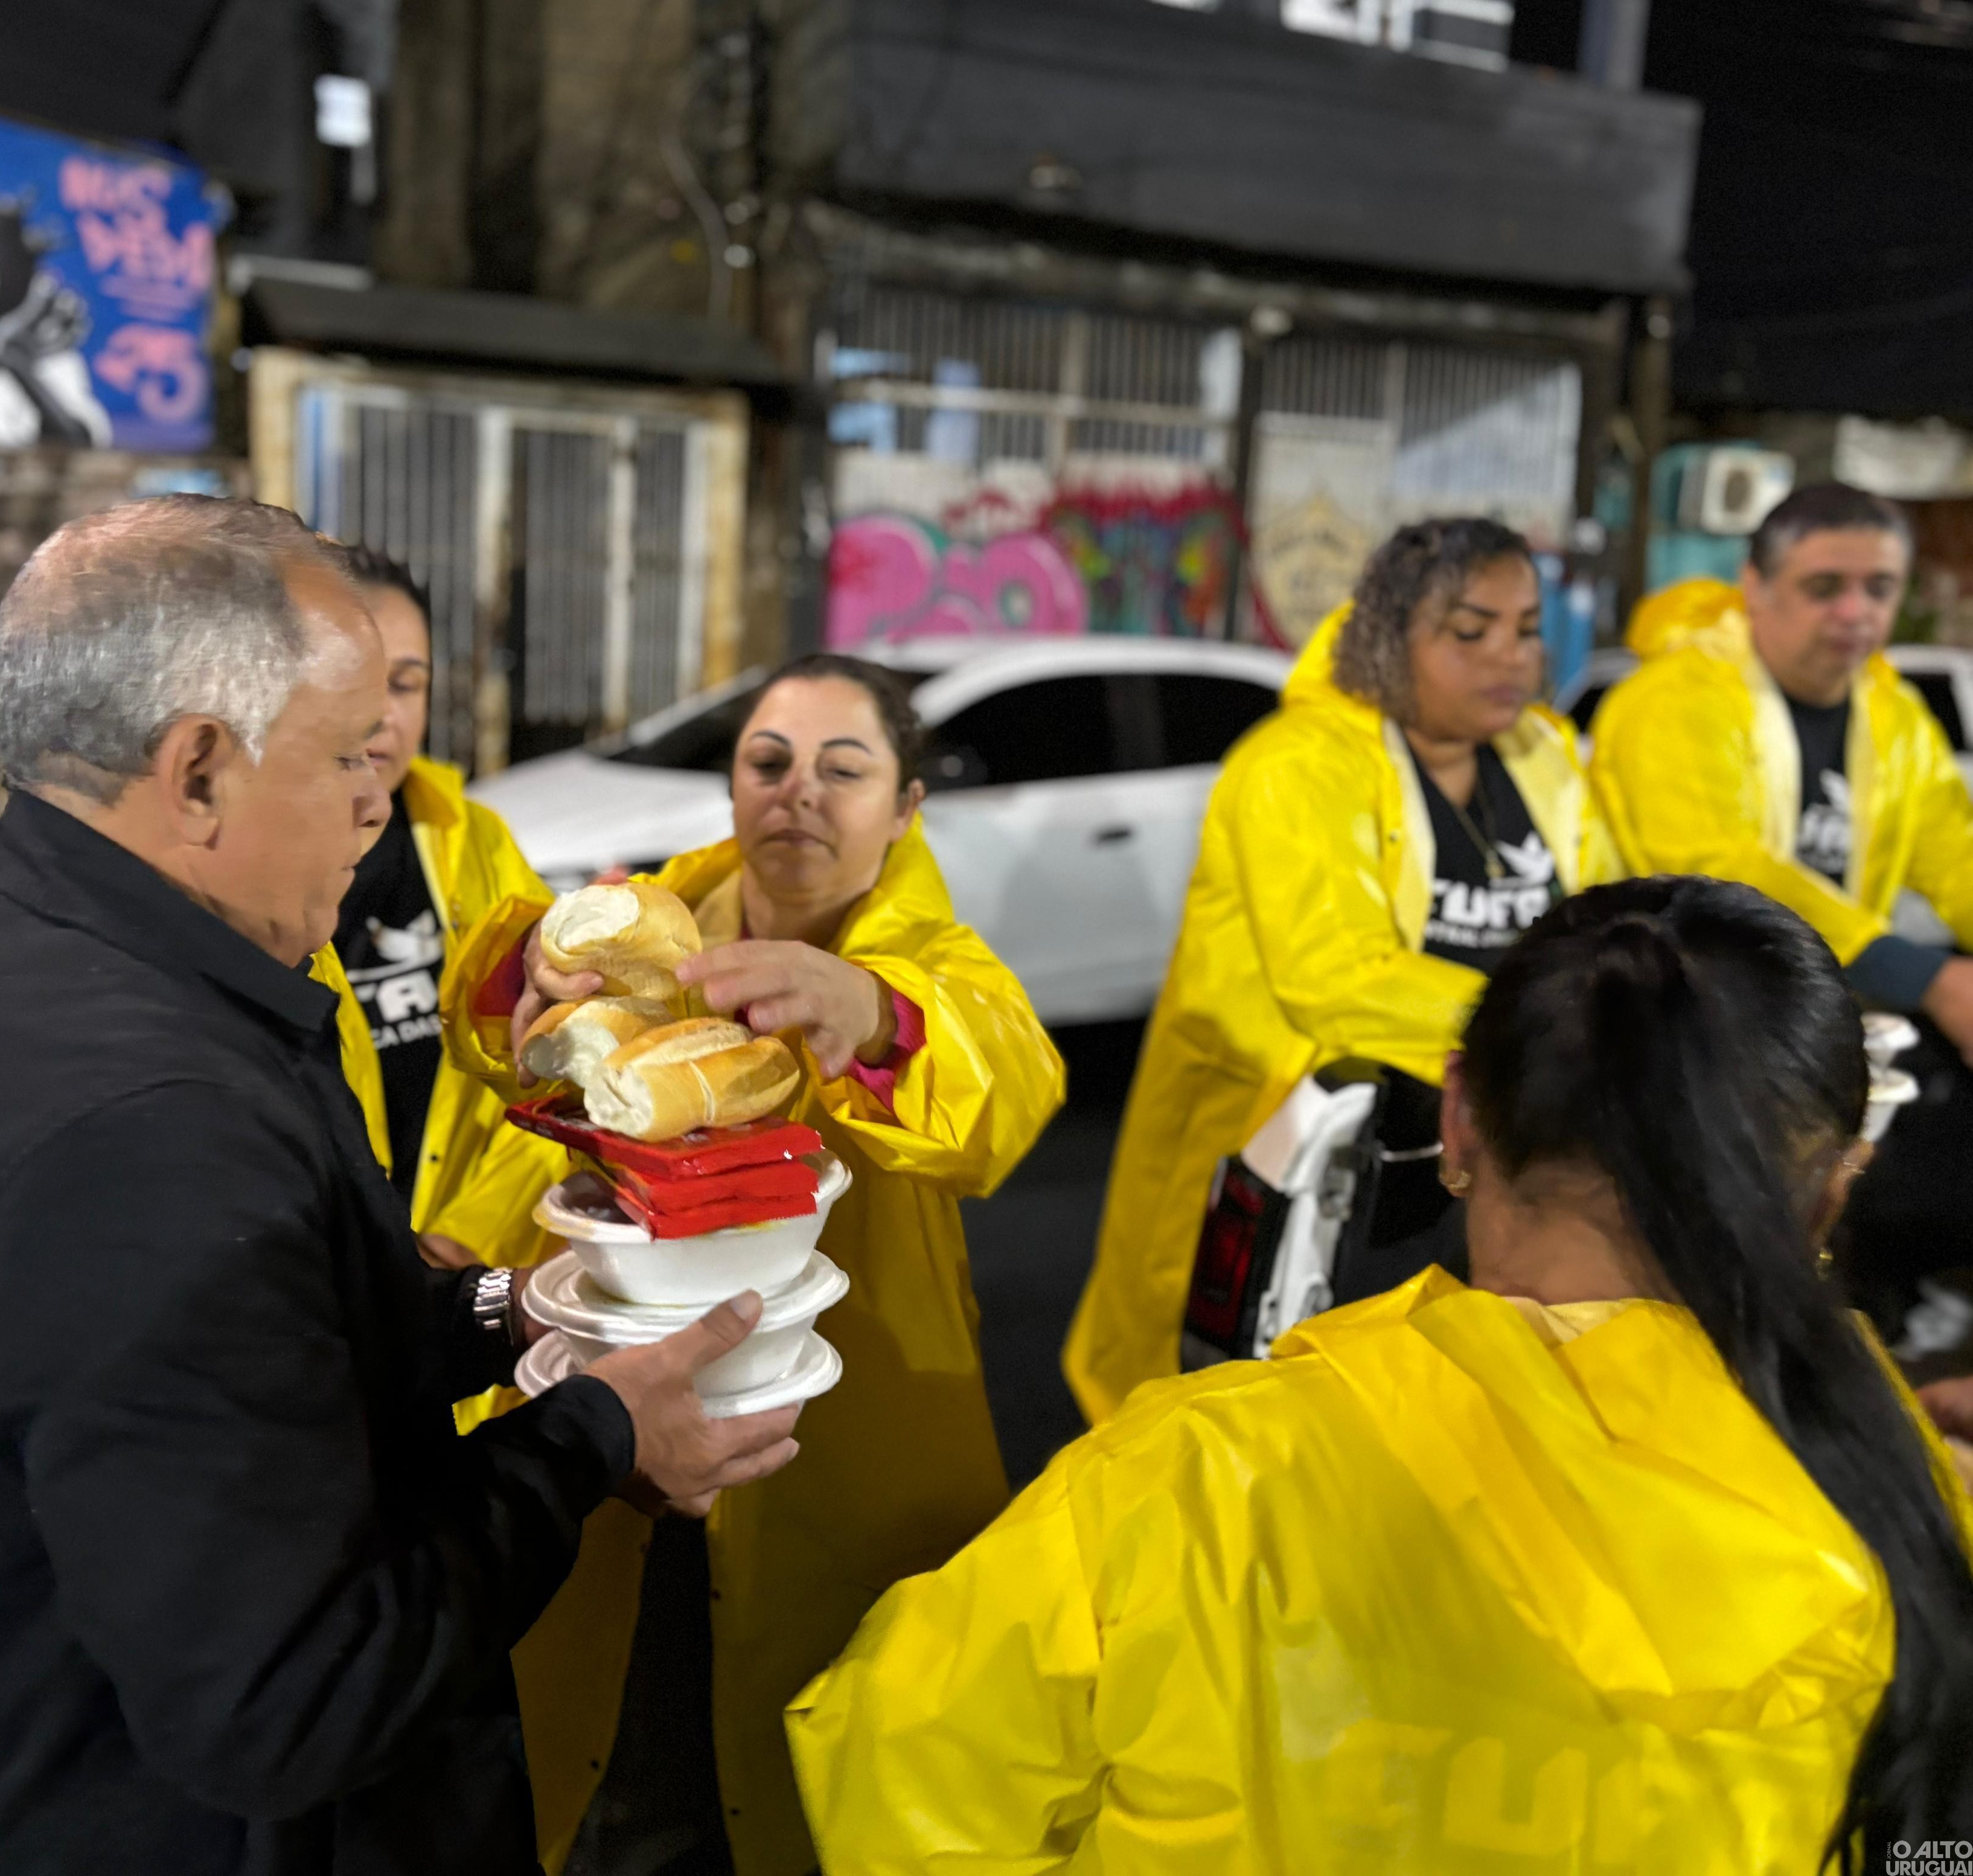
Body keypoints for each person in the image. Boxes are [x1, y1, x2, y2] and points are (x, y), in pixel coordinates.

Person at [0, 496, 803, 1875]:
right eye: (349, 752)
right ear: (200, 770)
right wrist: (593, 1440)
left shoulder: (61, 951)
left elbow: (254, 1362)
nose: (379, 796)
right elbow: (290, 1703)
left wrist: (496, 1316)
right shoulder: (145, 1131)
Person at [789, 877, 1973, 1870]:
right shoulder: (1905, 1508)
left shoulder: (1183, 1484)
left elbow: (898, 1788)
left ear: (1459, 1120)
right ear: (1834, 1183)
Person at [441, 653, 1066, 1876]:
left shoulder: (928, 960)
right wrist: (529, 993)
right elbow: (507, 1047)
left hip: (836, 1423)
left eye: (846, 769)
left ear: (904, 807)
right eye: (768, 763)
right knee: (625, 1709)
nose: (799, 795)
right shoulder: (655, 918)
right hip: (620, 1369)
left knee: (806, 1735)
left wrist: (869, 1015)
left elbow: (1009, 1088)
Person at [1064, 519, 1619, 1421]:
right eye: (1471, 632)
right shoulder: (1295, 764)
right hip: (1296, 1152)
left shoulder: (1544, 758)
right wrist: (1564, 1032)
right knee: (1221, 1417)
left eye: (1526, 628)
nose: (1511, 658)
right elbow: (1336, 977)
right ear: (1391, 637)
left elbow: (1605, 918)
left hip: (1482, 1146)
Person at [1593, 484, 1973, 1061]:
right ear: (1755, 585)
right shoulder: (1676, 698)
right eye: (1824, 588)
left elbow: (1953, 853)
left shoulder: (1895, 716)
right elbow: (1717, 868)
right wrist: (1927, 978)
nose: (1855, 612)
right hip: (1670, 1037)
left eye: (1880, 588)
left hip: (1798, 1029)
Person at [320, 544, 569, 1270]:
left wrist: (466, 1242)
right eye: (353, 680)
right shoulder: (236, 869)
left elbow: (558, 1068)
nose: (381, 716)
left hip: (463, 1291)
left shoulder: (474, 843)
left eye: (407, 683)